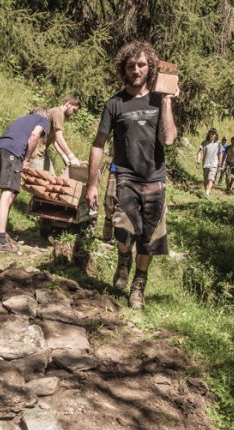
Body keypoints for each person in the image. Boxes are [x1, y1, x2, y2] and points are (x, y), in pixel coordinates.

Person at [85, 41, 178, 310]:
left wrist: (168, 101)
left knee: (149, 238)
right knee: (124, 232)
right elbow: (98, 144)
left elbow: (169, 139)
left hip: (154, 179)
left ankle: (138, 285)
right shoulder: (115, 104)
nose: (136, 70)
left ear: (150, 68)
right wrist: (92, 184)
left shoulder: (159, 101)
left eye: (141, 65)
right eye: (131, 66)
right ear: (123, 69)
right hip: (124, 177)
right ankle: (123, 260)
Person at [0, 108, 50, 253]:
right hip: (13, 152)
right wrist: (26, 159)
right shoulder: (43, 119)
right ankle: (0, 240)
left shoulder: (21, 119)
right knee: (7, 194)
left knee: (10, 193)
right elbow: (34, 135)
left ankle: (2, 233)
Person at [29, 96, 82, 174]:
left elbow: (54, 140)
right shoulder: (58, 112)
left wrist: (64, 157)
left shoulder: (55, 112)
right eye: (74, 110)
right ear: (68, 104)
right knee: (42, 183)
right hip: (35, 153)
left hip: (41, 153)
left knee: (52, 180)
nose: (74, 114)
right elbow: (59, 137)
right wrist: (71, 156)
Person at [196, 128, 222, 198]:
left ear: (216, 135)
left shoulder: (218, 144)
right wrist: (198, 162)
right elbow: (200, 152)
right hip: (205, 164)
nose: (212, 135)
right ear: (209, 134)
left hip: (214, 164)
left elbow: (220, 154)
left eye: (214, 133)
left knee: (211, 178)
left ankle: (207, 192)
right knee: (205, 180)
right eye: (211, 133)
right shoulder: (204, 143)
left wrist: (219, 164)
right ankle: (206, 192)